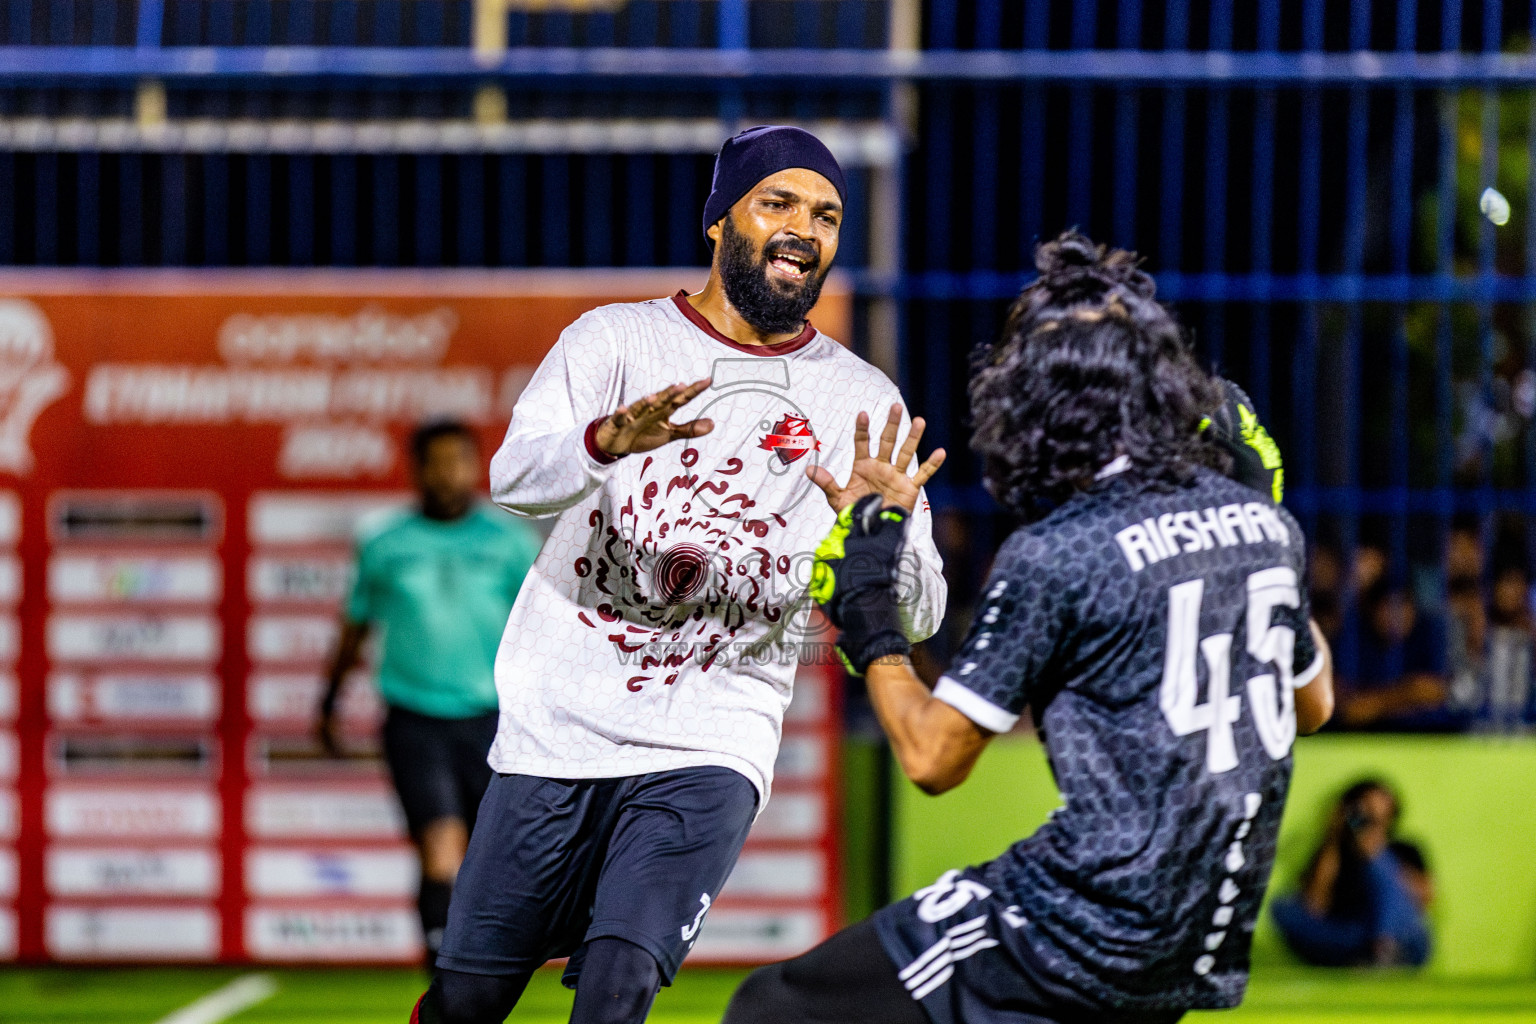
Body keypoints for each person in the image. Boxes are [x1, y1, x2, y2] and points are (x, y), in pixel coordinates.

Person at [723, 231, 1335, 1024]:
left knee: (775, 1007)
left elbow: (932, 757)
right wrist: (1266, 512)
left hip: (1070, 928)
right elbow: (1312, 706)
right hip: (1200, 940)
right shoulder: (1265, 530)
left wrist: (869, 615)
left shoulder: (1060, 550)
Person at [410, 125, 948, 1024]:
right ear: (719, 220)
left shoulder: (864, 401)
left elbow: (921, 611)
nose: (802, 229)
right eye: (777, 202)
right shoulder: (614, 342)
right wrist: (604, 442)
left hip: (711, 742)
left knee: (618, 988)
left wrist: (877, 535)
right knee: (468, 1000)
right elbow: (511, 479)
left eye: (825, 215)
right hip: (557, 732)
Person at [317, 420, 544, 967]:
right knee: (440, 845)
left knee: (493, 854)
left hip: (495, 719)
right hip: (414, 718)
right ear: (416, 468)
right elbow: (356, 625)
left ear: (475, 466)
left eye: (458, 461)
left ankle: (485, 958)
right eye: (436, 462)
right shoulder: (384, 542)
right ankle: (442, 963)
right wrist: (328, 701)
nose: (448, 473)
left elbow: (544, 631)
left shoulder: (511, 542)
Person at [1271, 780, 1433, 968]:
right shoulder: (1336, 852)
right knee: (1283, 908)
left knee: (1382, 864)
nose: (1371, 817)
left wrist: (1375, 855)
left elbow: (1424, 899)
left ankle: (1384, 948)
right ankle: (1371, 956)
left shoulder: (1402, 849)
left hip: (1401, 937)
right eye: (1365, 809)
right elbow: (1315, 905)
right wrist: (1333, 839)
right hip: (1354, 936)